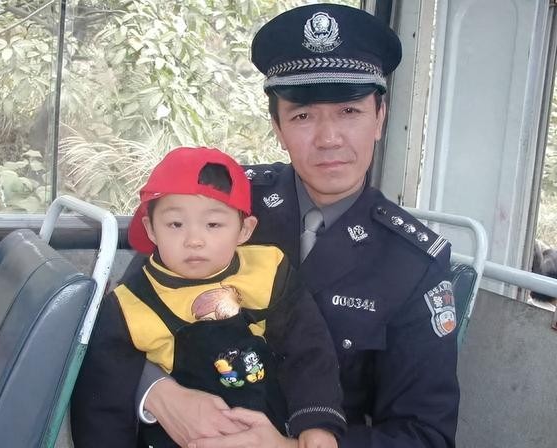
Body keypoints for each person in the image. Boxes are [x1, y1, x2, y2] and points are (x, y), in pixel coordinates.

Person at [136, 4, 460, 448]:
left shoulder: (412, 263)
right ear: (277, 126)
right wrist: (158, 393)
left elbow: (425, 435)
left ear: (380, 117)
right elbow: (121, 314)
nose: (328, 139)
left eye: (349, 111)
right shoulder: (219, 205)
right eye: (303, 116)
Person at [70, 146, 348, 447]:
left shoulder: (268, 272)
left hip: (269, 431)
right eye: (175, 224)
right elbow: (102, 403)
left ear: (244, 230)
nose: (194, 240)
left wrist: (316, 422)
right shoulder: (129, 305)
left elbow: (308, 349)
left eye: (213, 224)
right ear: (151, 229)